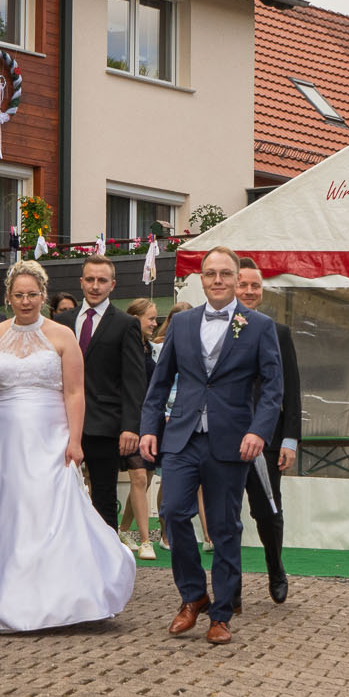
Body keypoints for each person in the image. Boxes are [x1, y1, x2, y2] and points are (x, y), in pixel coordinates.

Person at [0, 261, 137, 631]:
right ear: (8, 297)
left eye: (32, 295)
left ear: (43, 295)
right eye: (19, 295)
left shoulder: (62, 336)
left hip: (50, 434)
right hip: (4, 436)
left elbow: (74, 392)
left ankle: (57, 600)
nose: (26, 301)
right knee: (7, 514)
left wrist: (75, 441)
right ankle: (0, 600)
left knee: (47, 512)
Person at [139, 246, 286, 646]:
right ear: (201, 279)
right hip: (181, 436)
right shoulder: (183, 323)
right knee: (172, 512)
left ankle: (221, 614)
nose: (217, 280)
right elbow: (160, 381)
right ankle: (193, 595)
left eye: (225, 273)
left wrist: (259, 431)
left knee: (223, 528)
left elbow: (273, 388)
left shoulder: (258, 326)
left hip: (231, 441)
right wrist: (149, 427)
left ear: (237, 279)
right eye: (210, 273)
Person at [233, 259, 302, 605]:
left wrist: (289, 439)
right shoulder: (213, 329)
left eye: (255, 286)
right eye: (243, 284)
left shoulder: (279, 333)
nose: (249, 291)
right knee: (226, 514)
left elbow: (291, 389)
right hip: (226, 437)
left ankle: (276, 569)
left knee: (267, 511)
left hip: (268, 440)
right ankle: (230, 584)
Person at [72, 255, 150, 537]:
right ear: (81, 282)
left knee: (104, 497)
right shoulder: (63, 321)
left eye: (102, 280)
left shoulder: (125, 324)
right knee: (62, 494)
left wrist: (131, 427)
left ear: (112, 284)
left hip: (105, 426)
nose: (95, 286)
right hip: (64, 423)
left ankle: (108, 557)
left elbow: (134, 381)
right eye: (90, 279)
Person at [121, 299, 164, 555]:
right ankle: (146, 540)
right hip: (128, 420)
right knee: (138, 477)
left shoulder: (148, 347)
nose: (155, 323)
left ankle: (123, 528)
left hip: (147, 420)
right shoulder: (126, 345)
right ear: (135, 318)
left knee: (145, 479)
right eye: (151, 318)